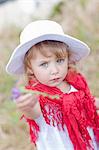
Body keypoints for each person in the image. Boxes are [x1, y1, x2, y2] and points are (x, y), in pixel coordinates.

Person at [6, 20, 99, 150]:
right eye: (44, 64)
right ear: (30, 68)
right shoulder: (37, 96)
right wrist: (27, 107)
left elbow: (87, 101)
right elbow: (34, 113)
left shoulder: (75, 82)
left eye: (60, 60)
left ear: (68, 58)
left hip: (87, 143)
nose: (55, 70)